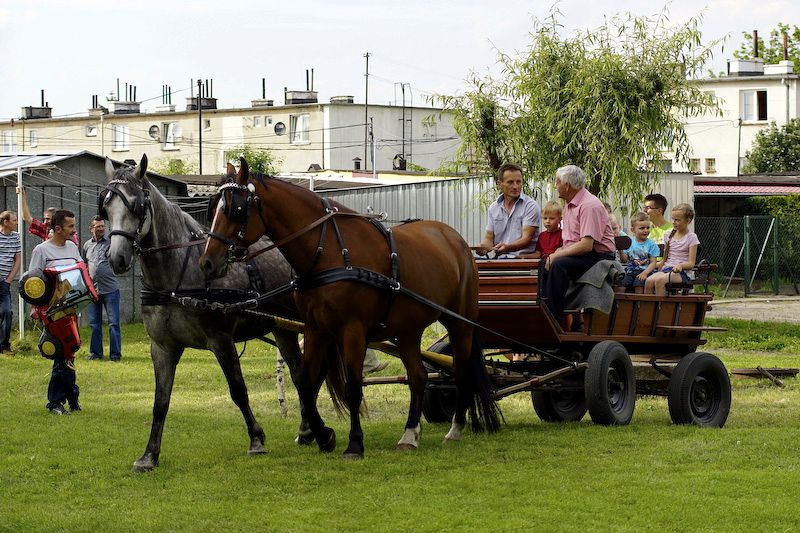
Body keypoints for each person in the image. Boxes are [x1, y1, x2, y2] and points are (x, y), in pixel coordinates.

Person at [541, 165, 616, 327]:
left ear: (567, 185)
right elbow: (572, 240)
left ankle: (554, 322)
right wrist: (559, 251)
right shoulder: (569, 204)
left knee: (558, 264)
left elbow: (586, 245)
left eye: (557, 182)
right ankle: (544, 315)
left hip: (599, 255)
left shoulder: (589, 205)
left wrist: (557, 254)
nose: (555, 185)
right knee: (542, 265)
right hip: (584, 253)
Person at [29, 210, 84, 414]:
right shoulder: (41, 250)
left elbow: (81, 271)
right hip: (52, 312)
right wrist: (34, 308)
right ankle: (55, 402)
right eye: (71, 226)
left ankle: (72, 398)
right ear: (58, 229)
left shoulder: (72, 247)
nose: (74, 230)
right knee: (61, 354)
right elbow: (33, 283)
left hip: (72, 309)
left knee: (70, 353)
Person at [477, 163, 541, 258]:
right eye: (510, 182)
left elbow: (526, 239)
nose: (515, 186)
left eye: (518, 182)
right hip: (499, 259)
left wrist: (507, 247)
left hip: (522, 261)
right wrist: (483, 247)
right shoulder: (493, 208)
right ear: (499, 184)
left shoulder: (530, 206)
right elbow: (489, 238)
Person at [82, 216, 122, 361]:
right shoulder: (86, 245)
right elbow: (84, 265)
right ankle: (96, 354)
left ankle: (115, 355)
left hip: (111, 290)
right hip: (93, 291)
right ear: (91, 229)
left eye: (102, 226)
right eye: (98, 226)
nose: (101, 229)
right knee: (94, 324)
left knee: (114, 324)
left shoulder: (111, 243)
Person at [644, 203, 700, 296]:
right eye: (673, 219)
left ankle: (661, 305)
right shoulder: (668, 234)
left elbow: (691, 263)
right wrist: (653, 265)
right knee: (648, 281)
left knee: (660, 281)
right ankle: (649, 305)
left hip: (682, 273)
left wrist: (680, 266)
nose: (673, 222)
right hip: (667, 269)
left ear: (688, 220)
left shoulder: (692, 237)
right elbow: (664, 259)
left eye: (677, 220)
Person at [618, 212, 659, 294]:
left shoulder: (651, 245)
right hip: (630, 271)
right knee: (620, 284)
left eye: (647, 228)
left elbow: (653, 263)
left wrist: (645, 273)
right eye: (642, 228)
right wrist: (620, 250)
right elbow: (624, 260)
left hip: (646, 271)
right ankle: (621, 302)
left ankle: (639, 301)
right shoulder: (629, 243)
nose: (645, 230)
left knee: (638, 283)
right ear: (633, 230)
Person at [0, 211, 22, 354]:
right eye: (14, 220)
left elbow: (17, 260)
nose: (17, 222)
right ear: (6, 222)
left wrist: (9, 279)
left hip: (4, 283)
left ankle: (4, 346)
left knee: (7, 312)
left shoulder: (16, 237)